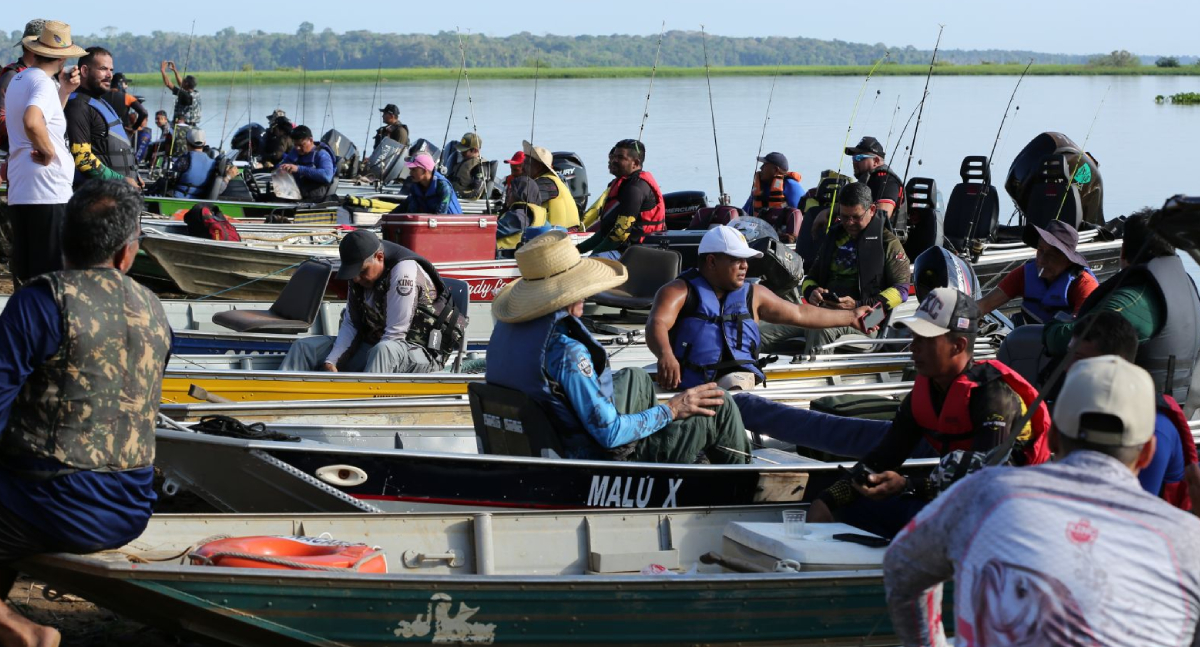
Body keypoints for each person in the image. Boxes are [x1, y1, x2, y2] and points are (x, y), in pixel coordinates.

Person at [884, 356, 1200, 647]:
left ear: (1052, 438)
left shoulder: (982, 494)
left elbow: (902, 565)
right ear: (1147, 452)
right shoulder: (1188, 540)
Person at [0, 179, 172, 647]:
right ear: (125, 253)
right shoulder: (155, 309)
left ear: (64, 240)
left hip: (54, 502)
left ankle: (24, 633)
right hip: (132, 504)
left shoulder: (41, 302)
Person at [488, 230, 752, 464]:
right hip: (591, 457)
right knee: (722, 404)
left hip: (543, 441)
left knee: (636, 377)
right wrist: (672, 409)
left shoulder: (508, 330)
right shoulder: (567, 352)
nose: (587, 293)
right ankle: (744, 486)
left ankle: (671, 448)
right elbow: (610, 434)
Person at [807, 288, 1050, 537]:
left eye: (925, 339)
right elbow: (881, 460)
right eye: (914, 337)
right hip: (951, 502)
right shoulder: (926, 392)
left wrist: (910, 485)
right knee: (852, 506)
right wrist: (827, 500)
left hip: (1006, 516)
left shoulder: (993, 396)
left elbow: (987, 484)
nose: (913, 347)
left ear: (958, 346)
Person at [647, 225, 875, 391]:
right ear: (711, 262)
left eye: (746, 260)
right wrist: (666, 355)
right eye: (736, 260)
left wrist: (851, 316)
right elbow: (656, 323)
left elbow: (800, 312)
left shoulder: (753, 294)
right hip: (690, 382)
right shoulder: (678, 291)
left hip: (736, 381)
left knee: (735, 384)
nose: (745, 266)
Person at [1045, 210, 1200, 408]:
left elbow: (1070, 339)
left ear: (1123, 249)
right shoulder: (1183, 284)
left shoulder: (1133, 299)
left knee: (1020, 341)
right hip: (1176, 403)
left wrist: (1051, 329)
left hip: (1132, 407)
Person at [1066, 311, 1198, 509]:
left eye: (1079, 359)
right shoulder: (1092, 407)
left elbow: (1131, 515)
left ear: (1115, 364)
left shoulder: (1152, 429)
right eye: (1068, 355)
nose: (1068, 367)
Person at [280, 230, 460, 374]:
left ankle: (363, 407)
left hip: (420, 352)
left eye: (362, 271)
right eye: (352, 273)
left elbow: (395, 334)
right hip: (375, 345)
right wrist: (332, 361)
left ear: (379, 257)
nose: (356, 279)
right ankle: (281, 401)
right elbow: (351, 323)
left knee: (383, 351)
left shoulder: (403, 273)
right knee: (304, 347)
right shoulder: (358, 277)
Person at [760, 182, 911, 354]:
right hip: (823, 312)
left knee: (819, 329)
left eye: (856, 217)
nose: (850, 223)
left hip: (868, 319)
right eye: (845, 217)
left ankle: (814, 377)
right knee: (761, 330)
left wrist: (858, 304)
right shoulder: (834, 237)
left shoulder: (888, 243)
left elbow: (902, 290)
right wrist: (812, 292)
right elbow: (810, 277)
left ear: (872, 210)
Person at [3, 20, 84, 286]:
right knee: (52, 278)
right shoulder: (42, 84)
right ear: (62, 56)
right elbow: (32, 120)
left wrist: (64, 91)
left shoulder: (19, 78)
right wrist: (47, 151)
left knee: (27, 276)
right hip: (48, 191)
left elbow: (44, 120)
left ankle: (24, 325)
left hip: (23, 189)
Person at [977, 220, 1098, 323]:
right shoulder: (1025, 274)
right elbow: (983, 305)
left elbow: (1084, 330)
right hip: (1031, 345)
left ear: (1069, 260)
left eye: (1052, 255)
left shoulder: (1085, 285)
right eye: (1040, 250)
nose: (1042, 260)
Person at [576, 139, 665, 259]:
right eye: (612, 156)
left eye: (620, 157)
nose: (613, 160)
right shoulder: (623, 184)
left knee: (588, 265)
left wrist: (591, 256)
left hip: (635, 252)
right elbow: (605, 232)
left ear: (635, 163)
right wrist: (577, 250)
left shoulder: (635, 189)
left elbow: (620, 234)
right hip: (622, 248)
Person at [65, 47, 140, 188]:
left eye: (111, 70)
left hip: (119, 193)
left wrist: (135, 174)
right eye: (103, 69)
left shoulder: (100, 102)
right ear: (85, 71)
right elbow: (82, 159)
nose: (109, 75)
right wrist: (122, 180)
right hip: (97, 196)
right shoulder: (78, 106)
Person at [0, 20, 44, 153]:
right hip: (21, 152)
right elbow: (1, 118)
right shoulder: (12, 76)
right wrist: (34, 132)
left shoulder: (50, 77)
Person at [844, 135, 904, 223]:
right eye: (853, 158)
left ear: (875, 161)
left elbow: (882, 217)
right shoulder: (867, 180)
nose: (854, 162)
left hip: (881, 235)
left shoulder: (887, 180)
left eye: (859, 158)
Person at [522, 141, 580, 229]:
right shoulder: (552, 180)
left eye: (526, 163)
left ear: (538, 166)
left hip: (559, 235)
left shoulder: (546, 182)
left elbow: (525, 198)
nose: (523, 167)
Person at [277, 125, 336, 202]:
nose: (298, 148)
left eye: (301, 145)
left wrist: (299, 169)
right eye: (295, 145)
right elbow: (282, 164)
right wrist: (280, 169)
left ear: (311, 140)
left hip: (316, 197)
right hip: (296, 193)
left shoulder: (322, 154)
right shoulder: (295, 152)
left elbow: (327, 176)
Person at [495, 176, 547, 258]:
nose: (508, 195)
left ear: (520, 193)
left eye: (511, 191)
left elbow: (492, 231)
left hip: (503, 258)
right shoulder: (540, 214)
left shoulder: (518, 216)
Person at [170, 128, 216, 198]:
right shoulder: (212, 163)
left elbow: (172, 179)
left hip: (179, 199)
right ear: (204, 143)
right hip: (199, 201)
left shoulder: (183, 160)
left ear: (187, 142)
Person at [160, 60, 200, 127]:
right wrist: (175, 70)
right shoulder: (195, 93)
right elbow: (181, 84)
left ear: (187, 84)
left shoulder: (186, 96)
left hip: (184, 126)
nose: (182, 81)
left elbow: (168, 84)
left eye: (184, 80)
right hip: (192, 126)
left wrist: (163, 71)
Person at [448, 132, 487, 200]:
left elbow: (476, 193)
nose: (462, 153)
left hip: (463, 202)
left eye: (465, 151)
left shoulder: (480, 166)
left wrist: (457, 194)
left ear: (475, 150)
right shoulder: (464, 161)